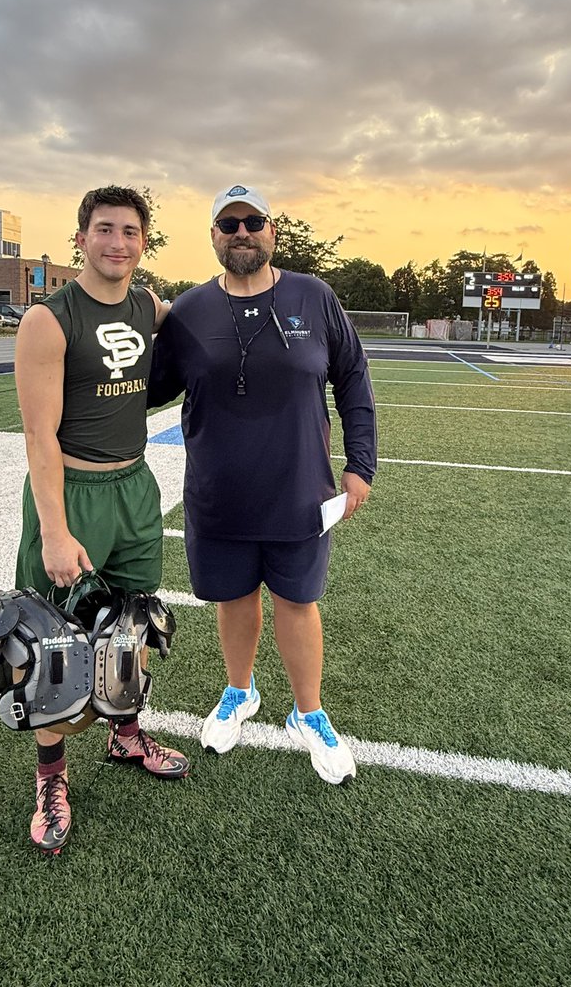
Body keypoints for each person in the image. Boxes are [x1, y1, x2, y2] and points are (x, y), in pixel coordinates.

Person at [148, 185, 376, 785]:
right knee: (234, 598)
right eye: (229, 224)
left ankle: (309, 713)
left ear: (273, 231)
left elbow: (352, 378)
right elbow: (148, 390)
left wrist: (361, 466)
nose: (241, 232)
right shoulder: (190, 309)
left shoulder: (314, 296)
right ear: (214, 237)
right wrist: (139, 331)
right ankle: (239, 692)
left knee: (298, 602)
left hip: (299, 490)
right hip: (218, 492)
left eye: (253, 222)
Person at [14, 185, 189, 855]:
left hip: (135, 488)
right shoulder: (49, 320)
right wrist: (56, 531)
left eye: (130, 232)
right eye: (105, 229)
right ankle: (50, 779)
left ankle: (125, 734)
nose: (118, 243)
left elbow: (202, 320)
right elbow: (38, 437)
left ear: (144, 243)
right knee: (53, 647)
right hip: (73, 495)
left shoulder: (148, 305)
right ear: (81, 238)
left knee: (133, 625)